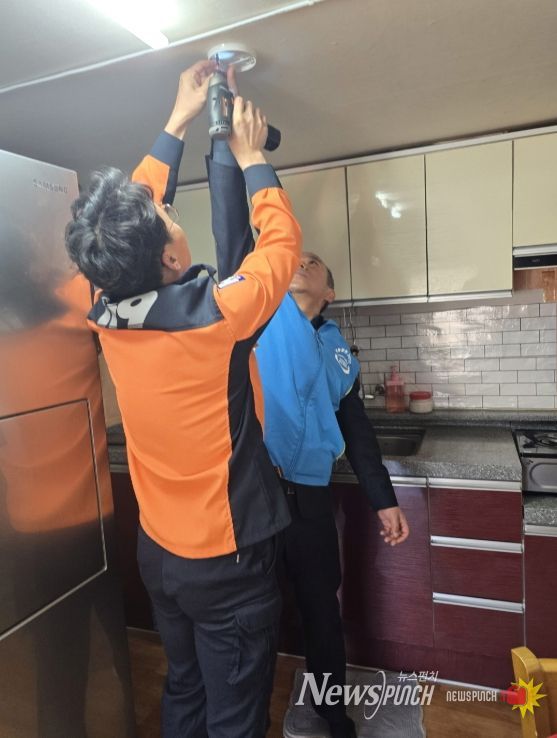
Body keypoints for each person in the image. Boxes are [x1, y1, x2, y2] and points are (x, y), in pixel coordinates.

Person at [65, 60, 303, 738]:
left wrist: (177, 118)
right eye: (168, 215)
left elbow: (128, 220)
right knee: (235, 717)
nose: (167, 210)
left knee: (186, 689)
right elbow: (282, 246)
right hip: (225, 563)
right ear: (170, 259)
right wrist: (252, 158)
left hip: (160, 557)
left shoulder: (103, 308)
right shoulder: (218, 316)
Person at [205, 69, 409, 738]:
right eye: (295, 259)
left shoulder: (341, 352)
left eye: (312, 264)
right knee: (257, 615)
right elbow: (243, 243)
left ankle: (330, 711)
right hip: (257, 494)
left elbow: (357, 429)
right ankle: (249, 720)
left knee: (323, 611)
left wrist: (383, 501)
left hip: (312, 500)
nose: (299, 263)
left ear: (329, 293)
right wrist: (232, 147)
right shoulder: (259, 316)